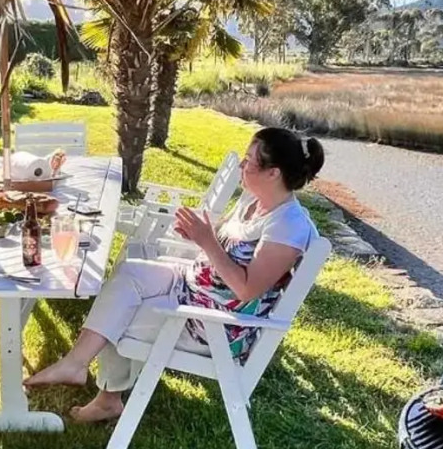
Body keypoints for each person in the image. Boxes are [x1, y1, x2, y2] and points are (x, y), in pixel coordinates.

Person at [24, 127, 325, 423]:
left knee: (121, 313)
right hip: (193, 286)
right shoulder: (254, 201)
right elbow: (226, 253)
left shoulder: (287, 227)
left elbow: (247, 290)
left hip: (214, 326)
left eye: (249, 160)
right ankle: (77, 365)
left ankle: (106, 399)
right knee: (128, 274)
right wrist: (200, 236)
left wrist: (206, 240)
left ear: (273, 173)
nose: (242, 166)